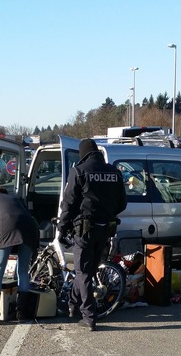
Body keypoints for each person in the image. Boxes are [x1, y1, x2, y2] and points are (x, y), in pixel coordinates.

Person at [58, 138, 127, 331]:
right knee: (87, 270)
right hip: (105, 228)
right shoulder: (114, 172)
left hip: (84, 230)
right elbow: (122, 203)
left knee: (83, 272)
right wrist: (107, 212)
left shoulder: (79, 171)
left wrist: (62, 228)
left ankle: (89, 316)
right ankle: (72, 306)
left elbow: (68, 204)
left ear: (83, 154)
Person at [0, 186, 39, 324]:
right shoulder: (15, 199)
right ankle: (21, 313)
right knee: (23, 271)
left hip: (5, 232)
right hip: (30, 231)